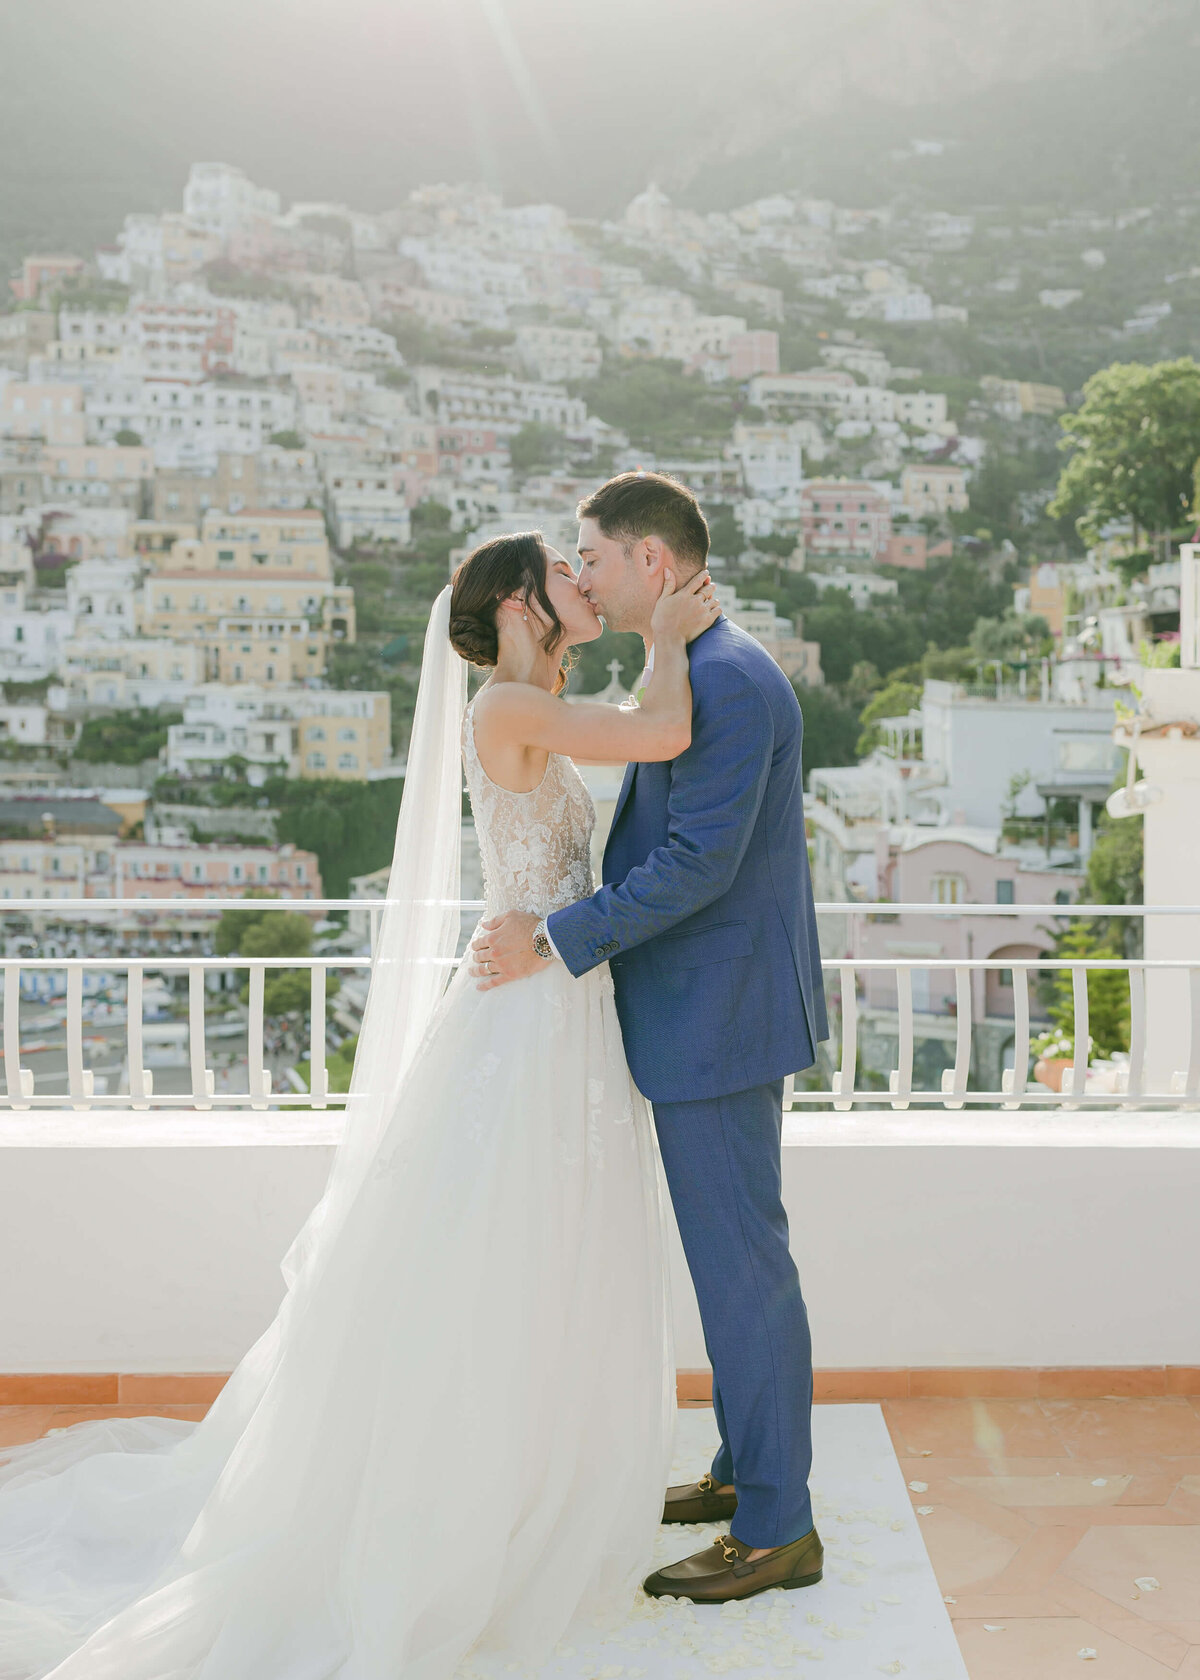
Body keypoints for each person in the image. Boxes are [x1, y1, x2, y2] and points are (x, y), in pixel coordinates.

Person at [0, 532, 716, 1680]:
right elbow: (665, 733)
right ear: (524, 605)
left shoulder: (525, 699)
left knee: (540, 1250)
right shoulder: (503, 711)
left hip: (551, 999)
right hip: (524, 1019)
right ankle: (463, 1498)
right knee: (499, 1250)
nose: (585, 586)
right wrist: (671, 636)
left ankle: (526, 1471)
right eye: (567, 576)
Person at [472, 472, 829, 1604]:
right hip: (699, 1012)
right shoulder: (706, 670)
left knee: (744, 1275)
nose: (581, 573)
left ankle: (776, 1530)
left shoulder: (727, 683)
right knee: (731, 1266)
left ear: (652, 567)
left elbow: (695, 868)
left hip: (718, 1020)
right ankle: (744, 1471)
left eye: (593, 555)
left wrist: (557, 939)